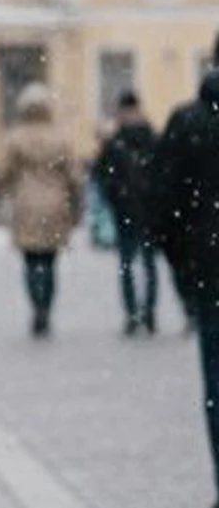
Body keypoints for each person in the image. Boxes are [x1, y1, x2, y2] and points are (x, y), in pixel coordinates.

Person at [150, 62, 219, 508]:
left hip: (209, 269)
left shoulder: (187, 122)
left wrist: (183, 267)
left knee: (216, 378)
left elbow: (164, 201)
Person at [0, 83, 83, 338]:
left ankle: (36, 305)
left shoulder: (16, 138)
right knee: (50, 260)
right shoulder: (61, 138)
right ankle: (46, 306)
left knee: (31, 260)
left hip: (27, 203)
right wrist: (75, 200)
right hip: (56, 204)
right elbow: (73, 175)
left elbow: (5, 172)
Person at [94, 89, 159, 334]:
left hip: (129, 211)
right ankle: (145, 313)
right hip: (144, 210)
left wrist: (116, 197)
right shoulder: (150, 137)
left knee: (130, 265)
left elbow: (102, 174)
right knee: (144, 264)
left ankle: (135, 313)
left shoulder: (117, 141)